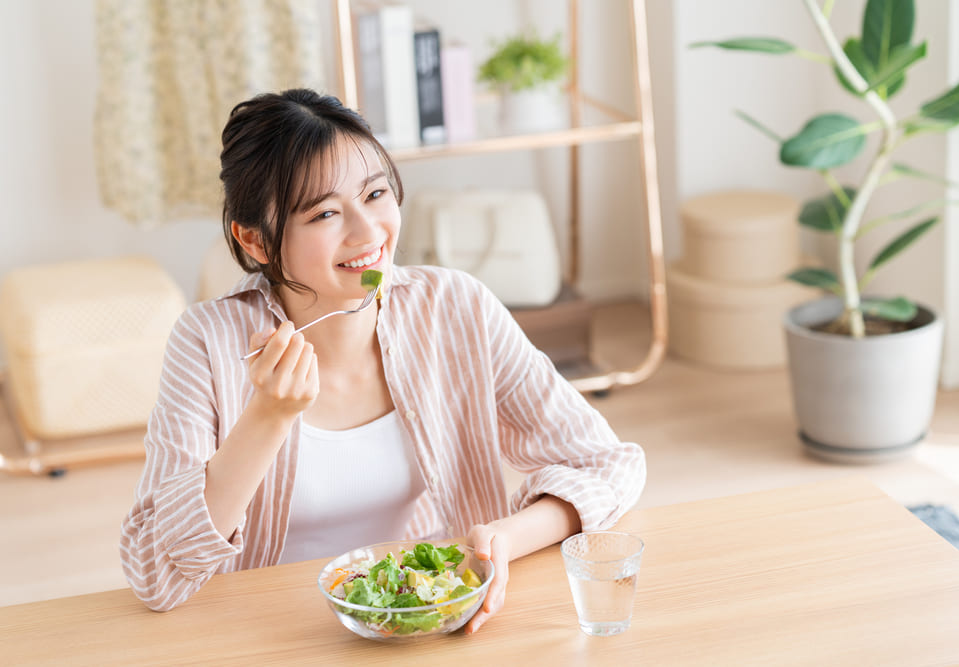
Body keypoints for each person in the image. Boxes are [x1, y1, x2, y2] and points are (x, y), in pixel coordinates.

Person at [120, 88, 646, 632]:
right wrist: (267, 417)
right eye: (325, 213)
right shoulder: (205, 341)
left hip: (425, 627)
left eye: (375, 194)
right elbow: (157, 574)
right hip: (269, 632)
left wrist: (507, 536)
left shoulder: (453, 306)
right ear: (255, 241)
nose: (369, 232)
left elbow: (609, 463)